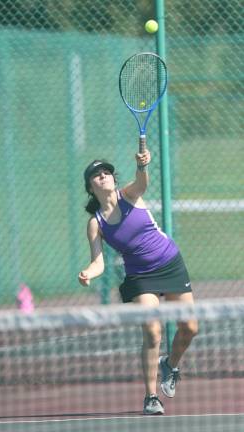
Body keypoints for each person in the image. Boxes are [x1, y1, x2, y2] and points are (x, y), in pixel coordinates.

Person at [78, 151, 198, 415]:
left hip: (170, 264)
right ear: (90, 187)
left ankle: (171, 364)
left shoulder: (129, 195)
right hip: (141, 277)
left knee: (189, 328)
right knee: (152, 332)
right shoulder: (95, 223)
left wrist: (141, 165)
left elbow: (142, 183)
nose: (104, 175)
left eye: (107, 172)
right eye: (97, 174)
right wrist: (88, 272)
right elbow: (98, 262)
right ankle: (151, 396)